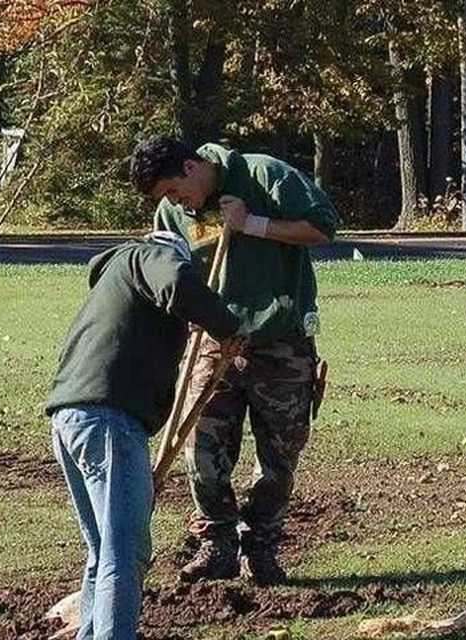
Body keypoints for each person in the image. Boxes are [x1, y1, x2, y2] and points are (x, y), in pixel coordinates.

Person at [128, 135, 338, 586]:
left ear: (190, 167)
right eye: (165, 198)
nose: (173, 203)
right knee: (200, 448)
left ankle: (260, 545)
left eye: (172, 190)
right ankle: (216, 543)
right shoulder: (174, 215)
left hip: (280, 342)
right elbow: (171, 278)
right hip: (211, 342)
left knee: (280, 453)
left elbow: (323, 227)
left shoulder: (264, 174)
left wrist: (252, 224)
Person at [45, 231, 246, 640]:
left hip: (72, 419)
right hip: (108, 422)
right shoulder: (147, 257)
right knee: (126, 552)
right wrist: (227, 327)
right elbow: (174, 280)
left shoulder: (115, 291)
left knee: (104, 549)